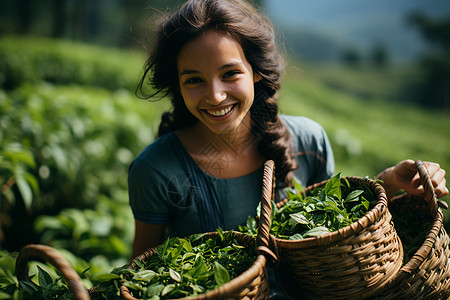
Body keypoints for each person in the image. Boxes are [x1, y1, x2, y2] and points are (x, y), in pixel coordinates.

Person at [128, 0, 448, 263]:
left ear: (255, 72)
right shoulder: (157, 170)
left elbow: (335, 221)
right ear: (178, 85)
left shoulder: (307, 140)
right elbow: (142, 270)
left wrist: (389, 182)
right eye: (194, 80)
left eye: (230, 73)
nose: (215, 95)